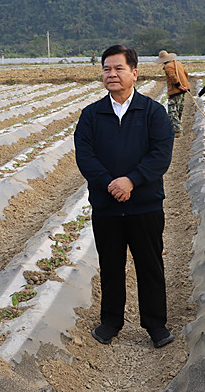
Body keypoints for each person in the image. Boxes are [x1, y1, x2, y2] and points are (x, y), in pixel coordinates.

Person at [74, 44, 175, 349]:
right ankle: (111, 321)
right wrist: (111, 184)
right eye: (107, 69)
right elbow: (85, 156)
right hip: (106, 206)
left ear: (134, 73)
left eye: (118, 68)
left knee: (149, 264)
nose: (112, 74)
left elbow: (161, 155)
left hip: (144, 205)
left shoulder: (152, 112)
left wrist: (131, 181)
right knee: (111, 264)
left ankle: (156, 324)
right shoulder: (92, 114)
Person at [155, 50, 190, 136]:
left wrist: (179, 85)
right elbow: (186, 74)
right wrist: (184, 85)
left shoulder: (168, 67)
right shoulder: (178, 63)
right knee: (179, 108)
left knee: (172, 110)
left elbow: (173, 77)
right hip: (183, 90)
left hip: (175, 90)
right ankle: (178, 126)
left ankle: (177, 130)